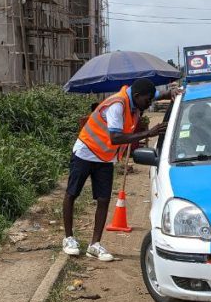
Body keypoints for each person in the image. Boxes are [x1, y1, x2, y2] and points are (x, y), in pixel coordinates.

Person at [63, 77, 173, 261]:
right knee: (72, 194)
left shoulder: (137, 101)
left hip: (105, 157)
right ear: (137, 96)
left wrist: (169, 93)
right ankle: (68, 239)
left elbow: (155, 94)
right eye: (147, 101)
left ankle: (95, 245)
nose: (149, 103)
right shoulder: (117, 105)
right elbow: (115, 138)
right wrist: (148, 133)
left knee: (104, 199)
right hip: (86, 152)